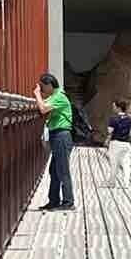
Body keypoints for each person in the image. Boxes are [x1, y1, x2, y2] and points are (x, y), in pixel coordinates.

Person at [37, 72, 74, 210]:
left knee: (62, 170)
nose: (41, 90)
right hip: (57, 135)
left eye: (42, 87)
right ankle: (53, 201)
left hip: (61, 135)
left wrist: (36, 95)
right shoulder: (55, 96)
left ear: (49, 85)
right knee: (54, 170)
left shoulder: (59, 96)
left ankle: (68, 202)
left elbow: (42, 109)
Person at [108, 99, 131, 190]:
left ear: (118, 108)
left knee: (114, 164)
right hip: (126, 144)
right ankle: (126, 183)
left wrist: (107, 140)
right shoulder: (129, 119)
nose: (113, 108)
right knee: (126, 164)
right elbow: (130, 132)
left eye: (114, 106)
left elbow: (110, 131)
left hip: (115, 143)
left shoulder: (113, 119)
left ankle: (112, 182)